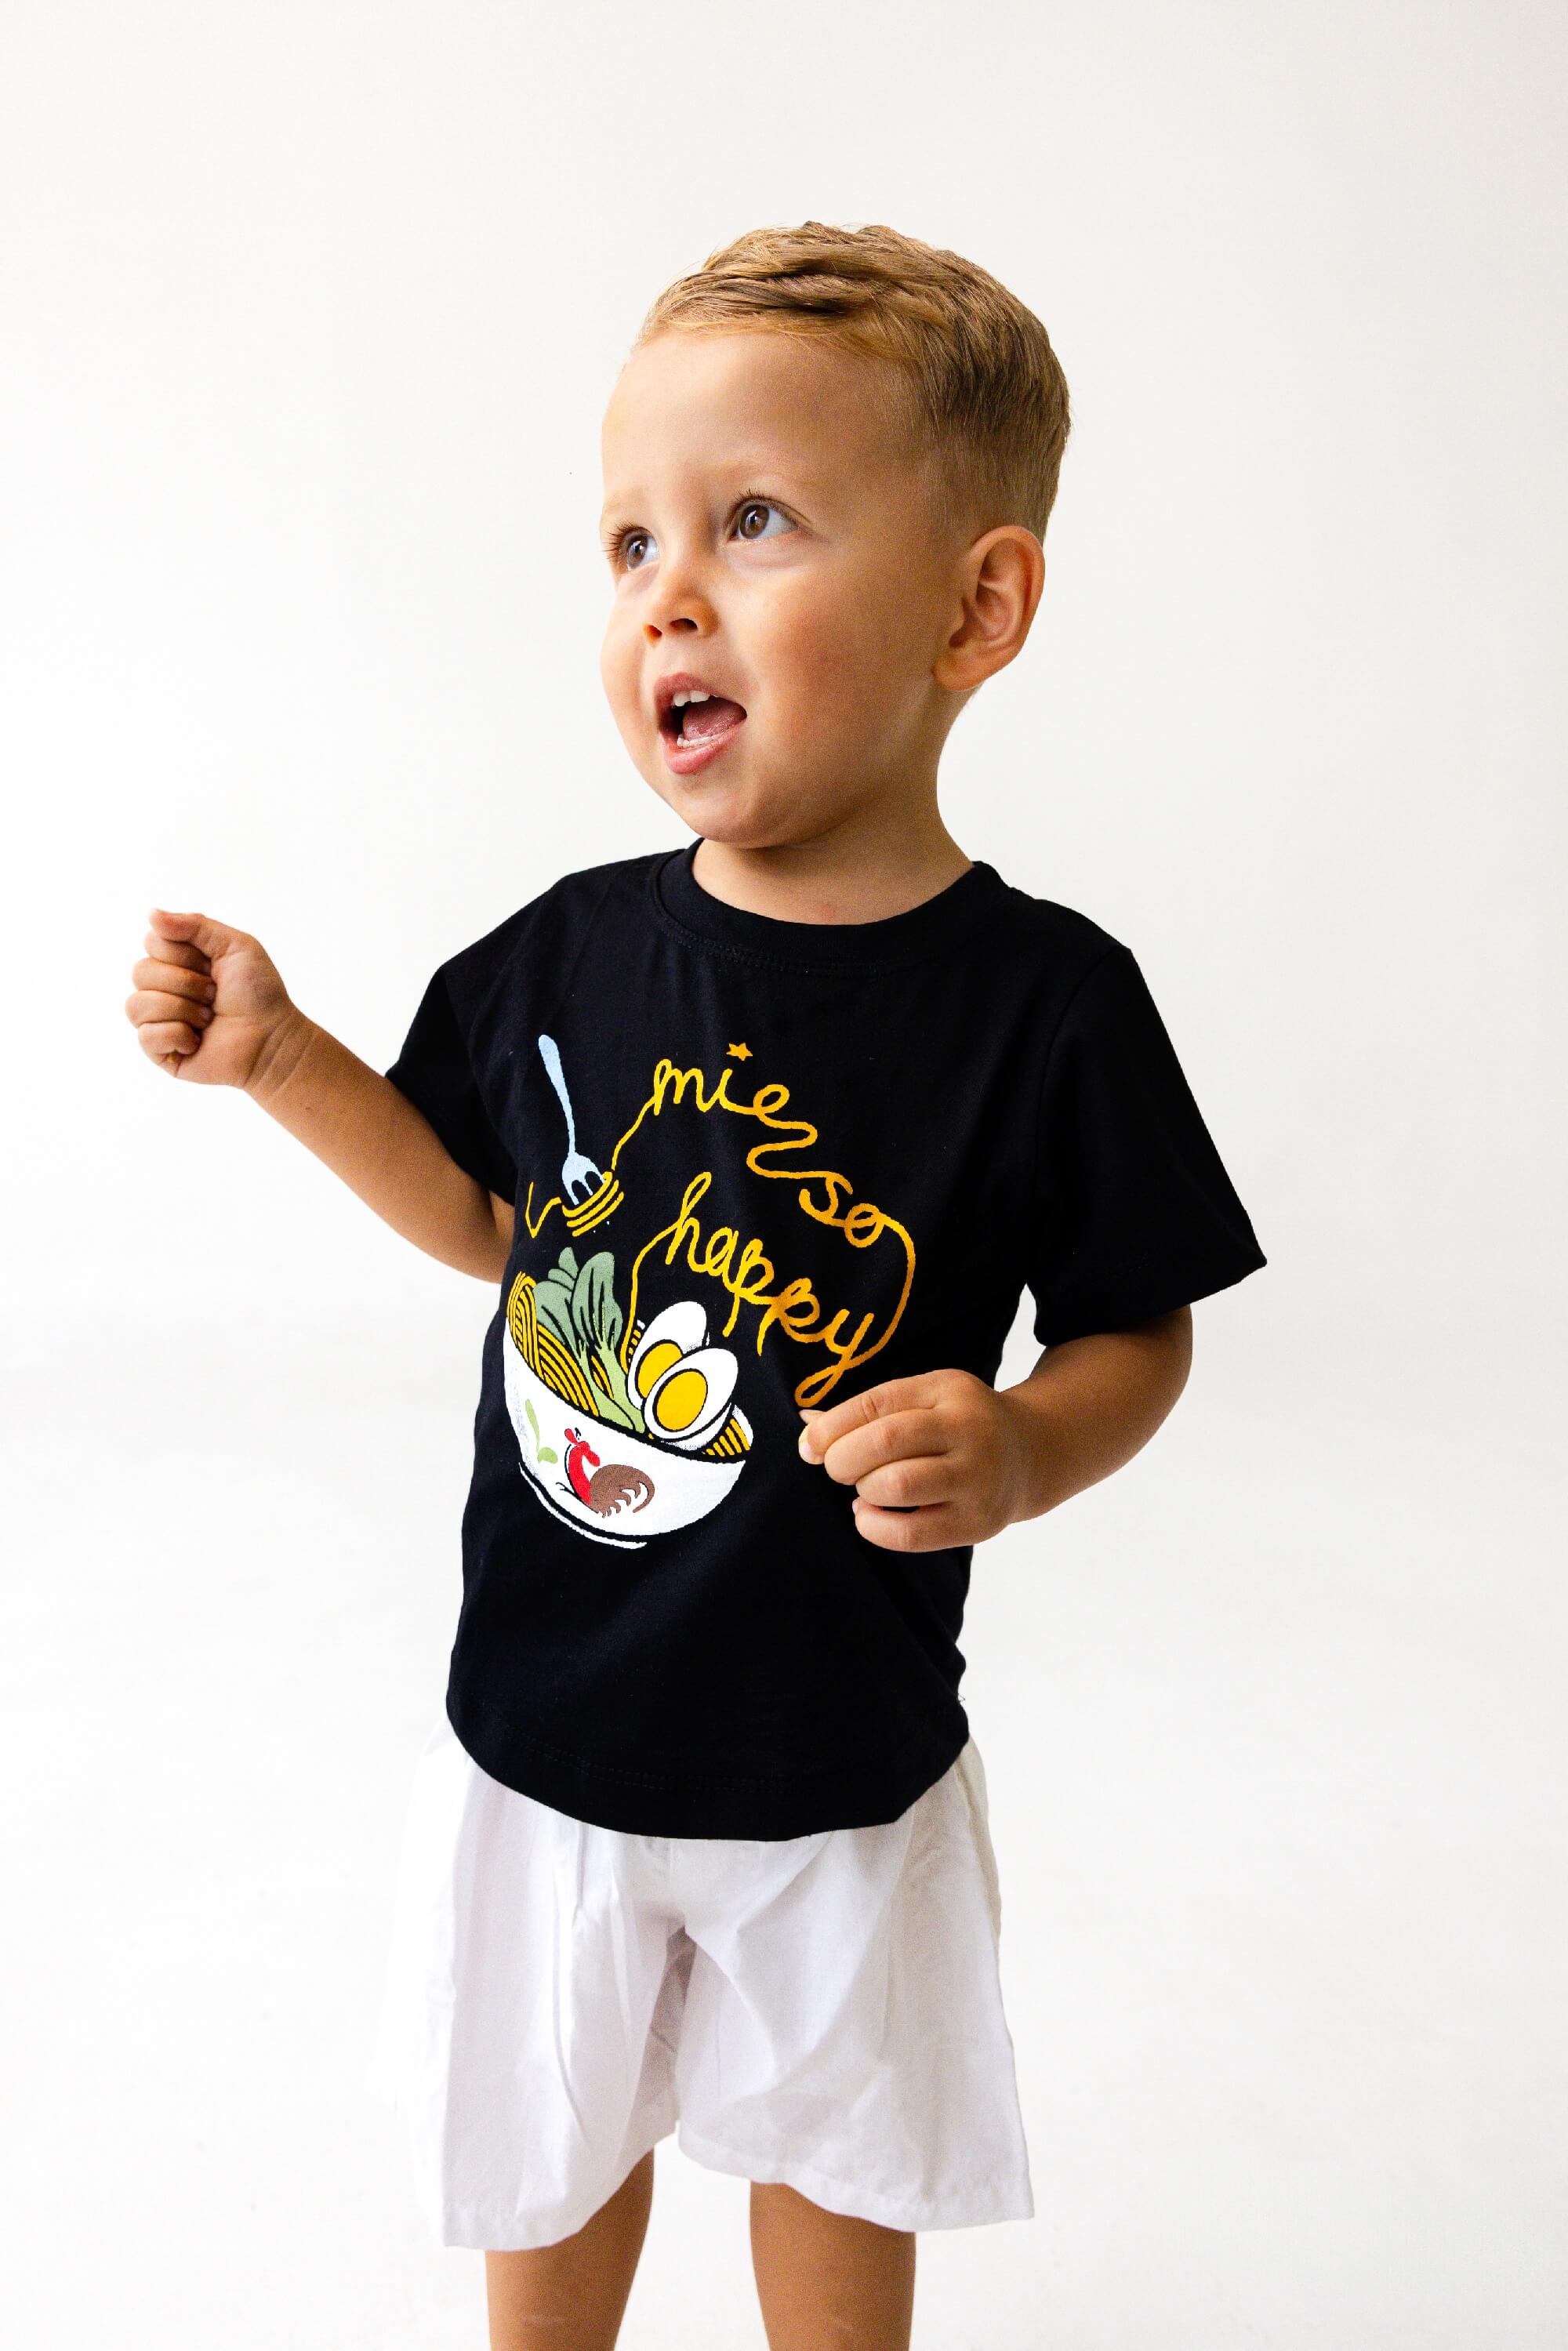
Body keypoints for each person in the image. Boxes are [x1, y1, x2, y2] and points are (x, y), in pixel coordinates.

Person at [124, 219, 1266, 2351]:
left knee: (837, 2156)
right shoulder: (569, 949)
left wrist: (1026, 1444)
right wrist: (287, 1064)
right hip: (552, 1724)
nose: (667, 593)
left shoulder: (1049, 1006)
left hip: (834, 1746)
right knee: (551, 2148)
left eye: (753, 522)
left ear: (977, 606)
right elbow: (491, 1222)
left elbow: (1142, 1325)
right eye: (631, 539)